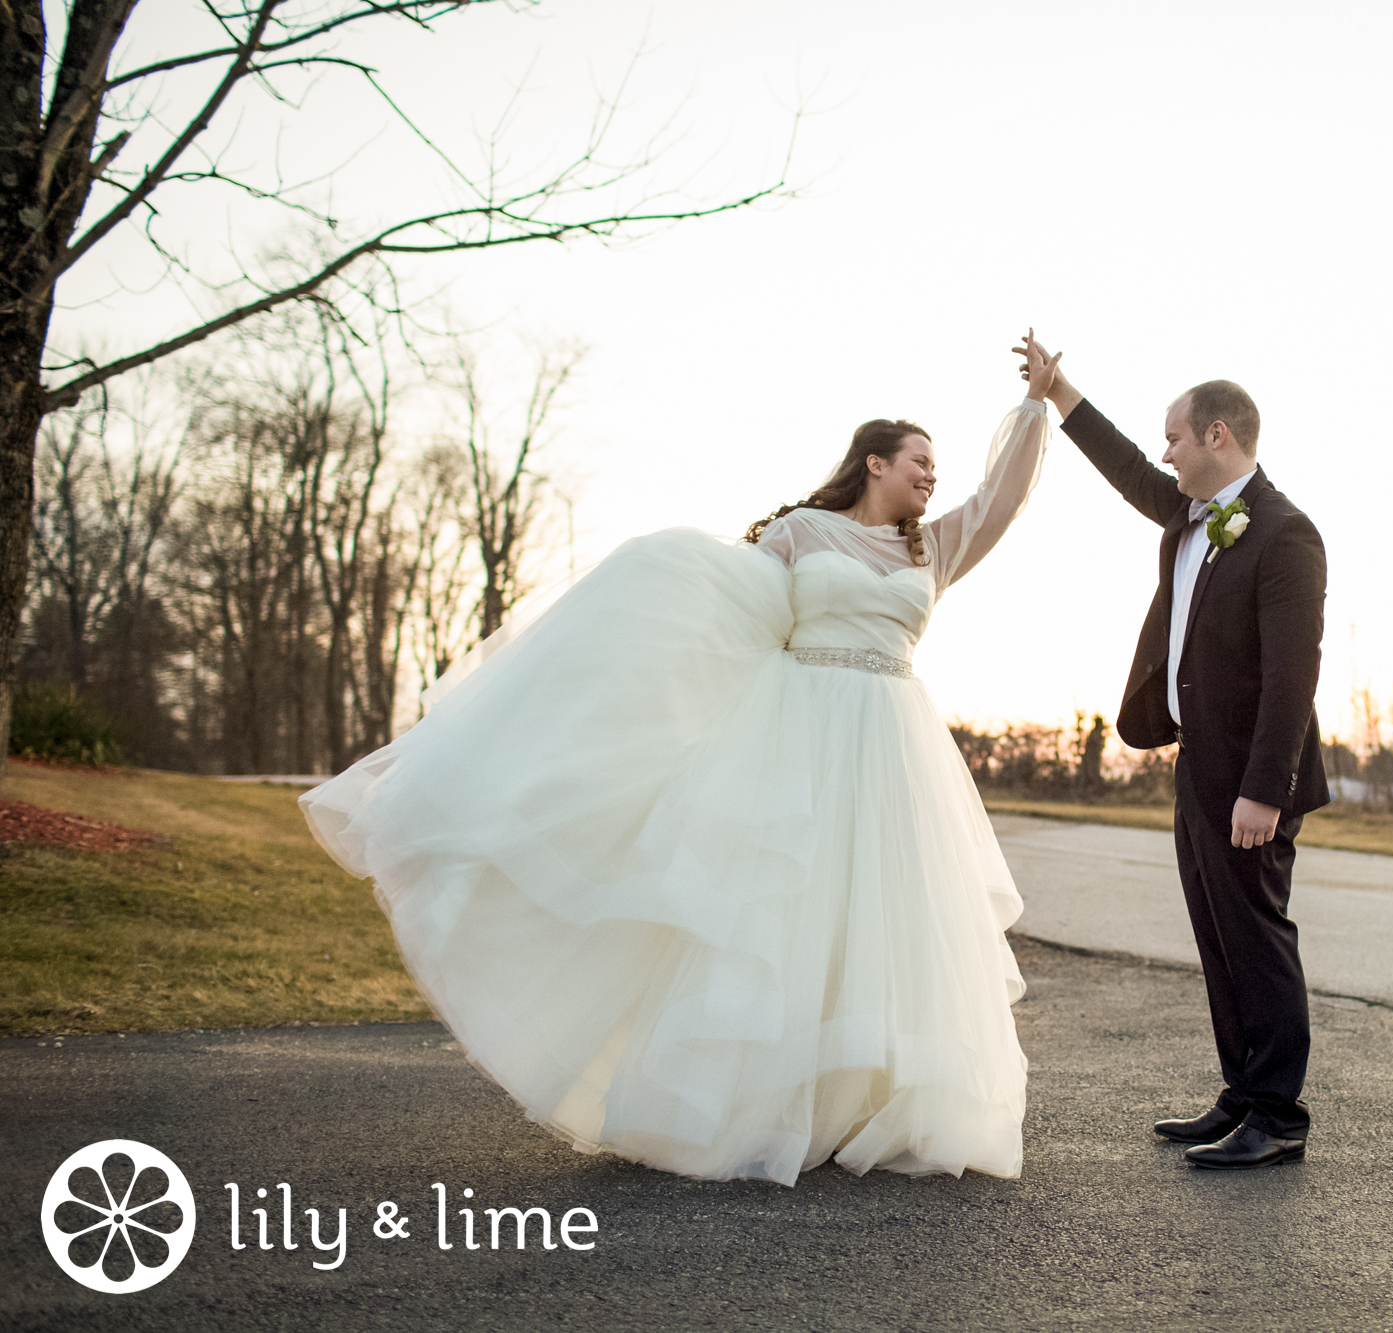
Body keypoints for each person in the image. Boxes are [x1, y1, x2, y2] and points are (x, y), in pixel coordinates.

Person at [300, 335, 1065, 1186]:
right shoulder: (798, 532)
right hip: (800, 733)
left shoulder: (931, 551)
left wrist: (1038, 405)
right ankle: (770, 1106)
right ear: (874, 462)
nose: (932, 475)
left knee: (881, 916)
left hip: (895, 747)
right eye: (920, 460)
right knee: (786, 914)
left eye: (937, 464)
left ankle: (866, 1105)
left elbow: (1001, 498)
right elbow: (726, 620)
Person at [1017, 334, 1328, 1170]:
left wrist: (1265, 788)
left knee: (1257, 937)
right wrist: (1059, 393)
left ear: (1216, 436)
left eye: (1176, 437)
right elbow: (1127, 468)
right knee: (1217, 935)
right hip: (1198, 765)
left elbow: (1295, 675)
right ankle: (1241, 1093)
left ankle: (1279, 1115)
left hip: (1253, 779)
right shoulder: (1189, 513)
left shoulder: (1285, 533)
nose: (1166, 453)